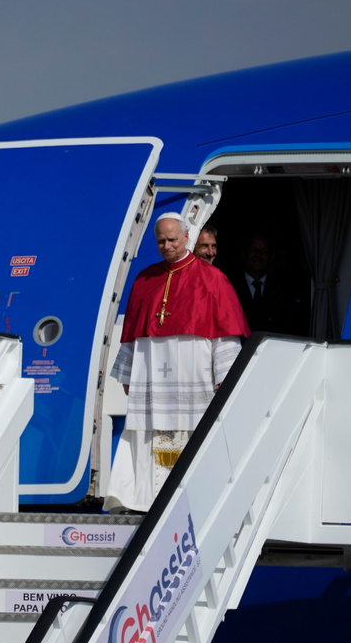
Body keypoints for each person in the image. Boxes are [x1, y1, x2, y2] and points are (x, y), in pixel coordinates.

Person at [105, 213, 250, 513]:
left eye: (172, 239)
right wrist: (128, 373)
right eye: (161, 241)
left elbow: (223, 334)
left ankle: (193, 497)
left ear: (187, 238)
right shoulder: (145, 279)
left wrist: (224, 375)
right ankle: (144, 499)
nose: (167, 246)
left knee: (194, 433)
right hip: (152, 376)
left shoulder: (213, 279)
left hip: (193, 374)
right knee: (149, 433)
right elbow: (133, 335)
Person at [229, 232, 307, 335]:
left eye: (264, 251)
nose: (258, 255)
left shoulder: (283, 291)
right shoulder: (229, 287)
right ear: (244, 253)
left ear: (271, 257)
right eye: (253, 250)